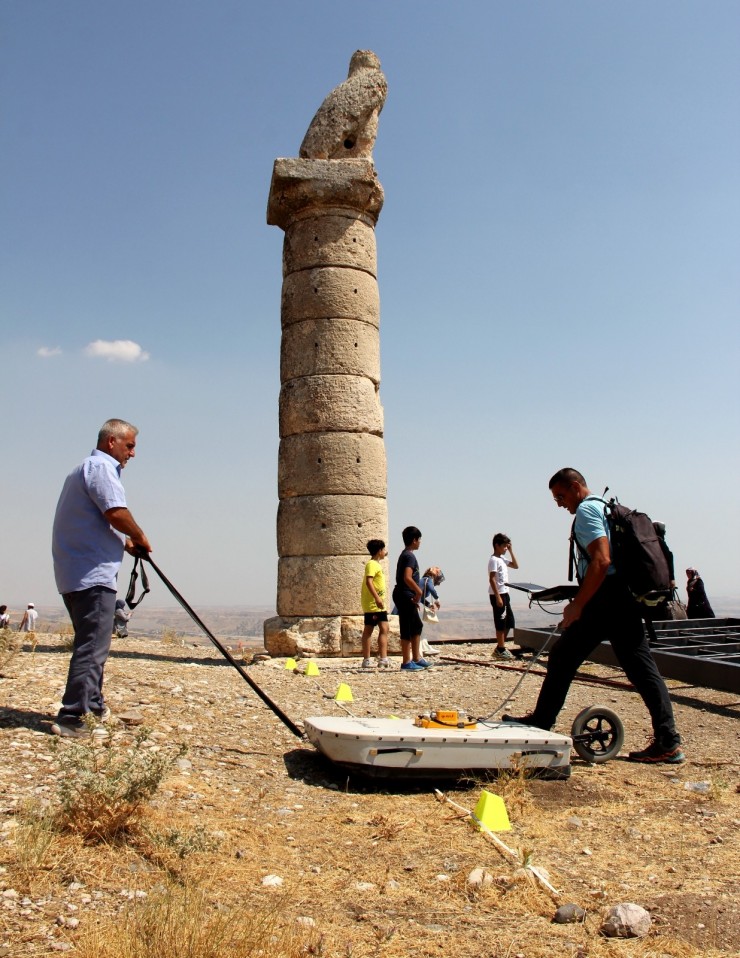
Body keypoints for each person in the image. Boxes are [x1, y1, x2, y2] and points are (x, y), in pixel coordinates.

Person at [504, 468, 684, 764]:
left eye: (561, 496)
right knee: (641, 669)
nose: (560, 504)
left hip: (605, 601)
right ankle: (669, 740)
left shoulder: (587, 512)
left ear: (576, 487)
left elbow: (601, 561)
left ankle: (541, 723)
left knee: (563, 657)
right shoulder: (605, 507)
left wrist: (578, 605)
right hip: (623, 599)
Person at [51, 419, 152, 738]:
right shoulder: (101, 467)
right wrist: (139, 536)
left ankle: (93, 707)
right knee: (92, 647)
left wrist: (124, 543)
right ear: (112, 441)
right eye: (130, 446)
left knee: (94, 643)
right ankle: (75, 717)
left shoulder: (83, 469)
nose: (133, 454)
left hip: (78, 571)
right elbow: (115, 512)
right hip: (91, 573)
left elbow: (96, 521)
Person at [391, 526, 430, 671]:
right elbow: (407, 577)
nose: (420, 542)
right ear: (414, 540)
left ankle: (416, 658)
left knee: (416, 625)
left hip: (406, 594)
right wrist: (418, 591)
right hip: (404, 593)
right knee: (407, 627)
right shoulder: (409, 556)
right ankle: (407, 662)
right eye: (419, 539)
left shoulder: (406, 555)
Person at [488, 534, 519, 659]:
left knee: (509, 621)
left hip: (505, 593)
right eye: (505, 546)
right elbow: (492, 579)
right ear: (497, 545)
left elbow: (515, 565)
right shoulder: (493, 560)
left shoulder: (501, 559)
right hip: (498, 594)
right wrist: (497, 597)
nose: (506, 548)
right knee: (500, 621)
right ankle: (501, 649)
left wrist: (511, 551)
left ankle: (500, 647)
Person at [360, 539, 390, 668]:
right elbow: (369, 582)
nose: (385, 552)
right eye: (383, 550)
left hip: (377, 604)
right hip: (373, 604)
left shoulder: (376, 564)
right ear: (379, 551)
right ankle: (369, 659)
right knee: (371, 629)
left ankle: (382, 658)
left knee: (383, 628)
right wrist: (377, 598)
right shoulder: (371, 564)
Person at [420, 567, 444, 656]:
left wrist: (429, 605)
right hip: (410, 604)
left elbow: (421, 598)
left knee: (417, 626)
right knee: (418, 626)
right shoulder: (428, 579)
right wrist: (437, 599)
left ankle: (423, 647)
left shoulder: (423, 580)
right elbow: (431, 588)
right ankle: (423, 648)